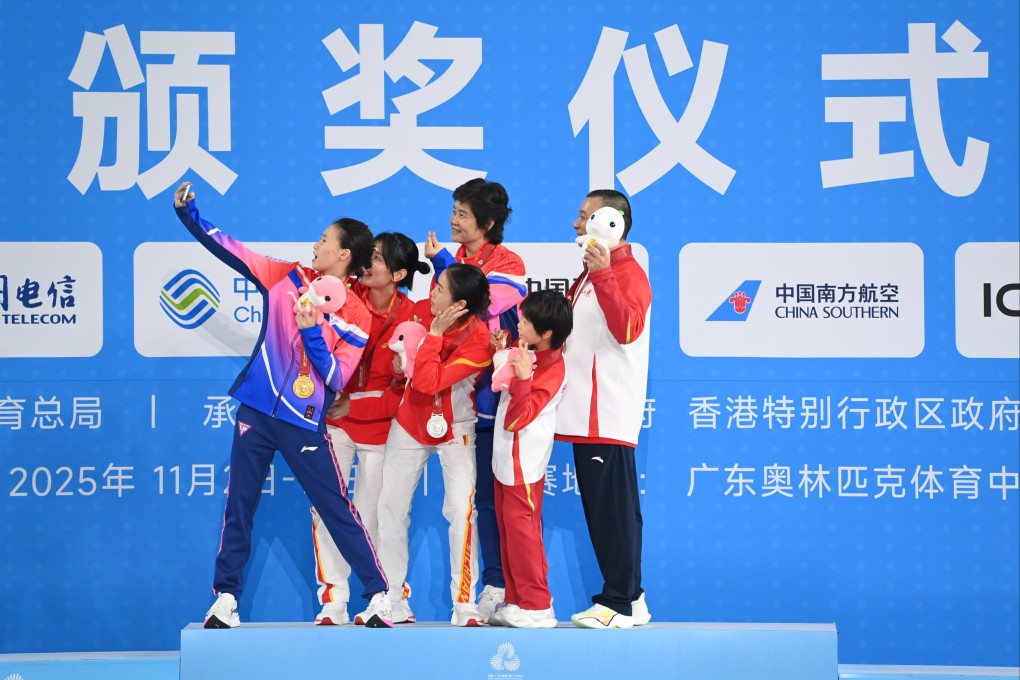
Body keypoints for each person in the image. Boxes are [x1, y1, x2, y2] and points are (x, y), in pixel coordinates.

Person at [172, 182, 393, 629]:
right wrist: (189, 215)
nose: (316, 244)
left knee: (335, 508)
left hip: (302, 421)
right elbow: (232, 250)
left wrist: (313, 329)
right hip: (256, 409)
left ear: (344, 254)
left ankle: (379, 596)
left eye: (325, 241)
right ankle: (226, 599)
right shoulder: (286, 275)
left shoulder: (358, 314)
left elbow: (336, 378)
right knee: (240, 504)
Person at [309, 232, 430, 626]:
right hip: (334, 422)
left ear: (397, 273)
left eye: (375, 258)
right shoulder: (342, 297)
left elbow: (406, 390)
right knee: (327, 508)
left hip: (383, 428)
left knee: (380, 514)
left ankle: (390, 597)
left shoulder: (414, 317)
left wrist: (355, 403)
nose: (366, 263)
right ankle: (334, 600)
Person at [424, 178, 526, 621]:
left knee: (504, 500)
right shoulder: (453, 261)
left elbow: (481, 302)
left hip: (500, 397)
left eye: (462, 214)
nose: (453, 220)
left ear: (487, 222)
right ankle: (489, 584)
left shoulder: (509, 262)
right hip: (455, 397)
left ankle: (510, 587)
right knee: (474, 501)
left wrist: (443, 264)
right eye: (453, 210)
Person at [371, 263, 493, 627]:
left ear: (460, 305)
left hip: (455, 428)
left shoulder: (480, 340)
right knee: (391, 506)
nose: (432, 293)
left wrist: (435, 334)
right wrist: (398, 365)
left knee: (460, 510)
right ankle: (393, 597)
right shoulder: (422, 310)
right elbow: (398, 364)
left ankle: (463, 602)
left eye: (440, 289)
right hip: (410, 423)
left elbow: (429, 381)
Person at [554, 189, 653, 629]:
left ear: (609, 222)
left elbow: (628, 328)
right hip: (584, 414)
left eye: (584, 217)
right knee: (609, 509)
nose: (577, 225)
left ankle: (617, 603)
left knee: (612, 513)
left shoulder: (626, 271)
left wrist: (605, 275)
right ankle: (633, 596)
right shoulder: (590, 274)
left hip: (605, 413)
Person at [487, 290, 572, 628]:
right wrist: (500, 352)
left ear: (547, 332)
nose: (518, 325)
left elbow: (516, 418)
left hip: (524, 466)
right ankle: (518, 600)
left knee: (524, 534)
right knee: (508, 533)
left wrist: (522, 380)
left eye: (525, 321)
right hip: (505, 460)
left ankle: (538, 605)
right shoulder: (533, 355)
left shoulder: (552, 371)